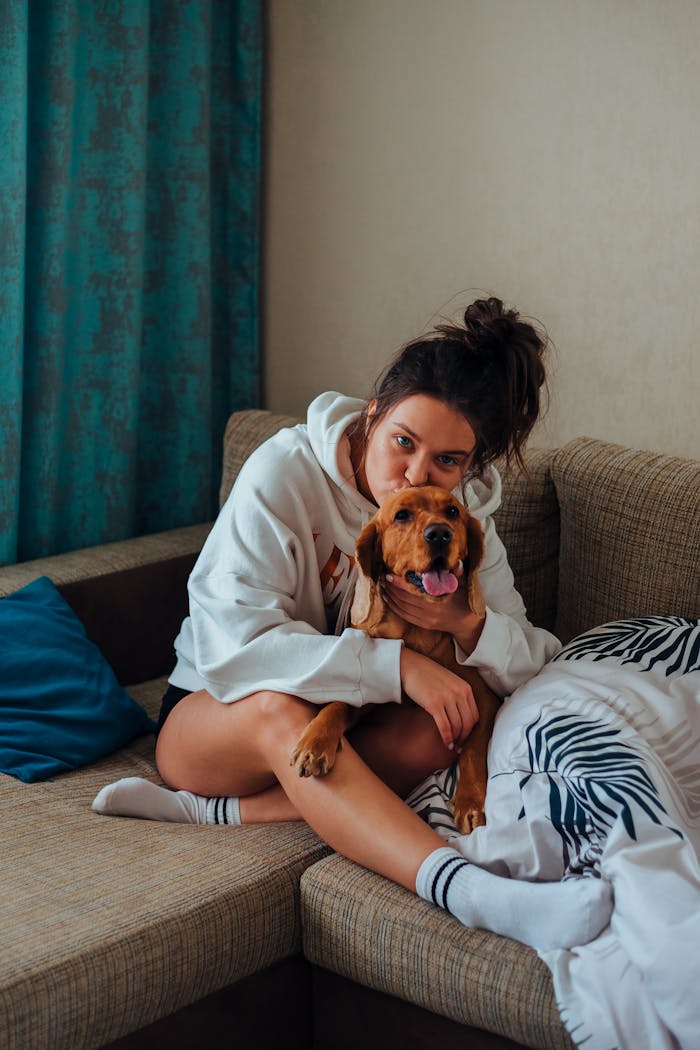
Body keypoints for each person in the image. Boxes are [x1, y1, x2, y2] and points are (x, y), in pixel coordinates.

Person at [94, 296, 612, 952]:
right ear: (373, 415)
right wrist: (400, 667)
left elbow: (535, 658)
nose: (415, 476)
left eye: (447, 462)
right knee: (280, 708)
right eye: (404, 442)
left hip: (342, 730)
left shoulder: (458, 523)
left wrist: (466, 625)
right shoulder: (283, 473)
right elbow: (235, 644)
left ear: (468, 468)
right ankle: (477, 893)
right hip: (215, 716)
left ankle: (225, 816)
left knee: (449, 726)